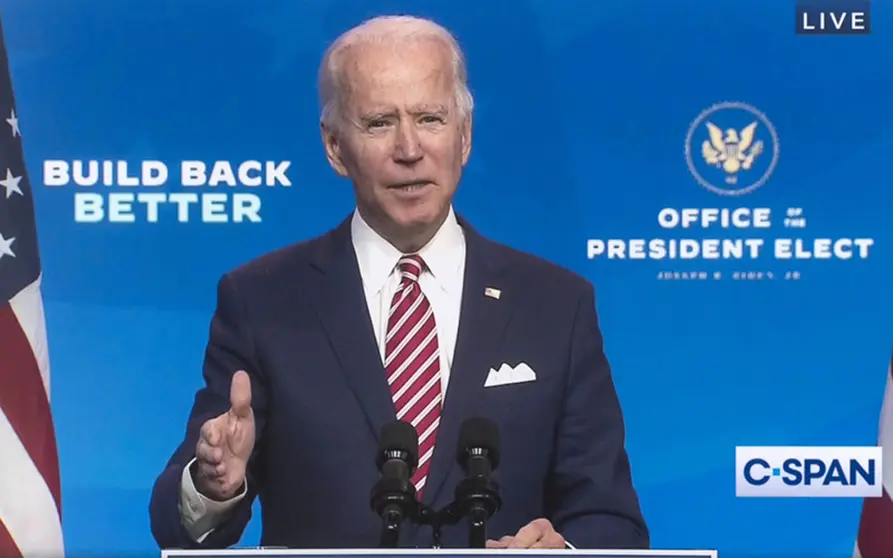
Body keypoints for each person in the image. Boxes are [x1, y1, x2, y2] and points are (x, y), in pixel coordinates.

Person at [149, 14, 648, 550]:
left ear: (465, 137)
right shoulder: (262, 300)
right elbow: (179, 527)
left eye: (431, 118)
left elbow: (610, 517)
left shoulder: (555, 304)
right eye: (380, 123)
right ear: (335, 146)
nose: (409, 148)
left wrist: (566, 551)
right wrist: (214, 483)